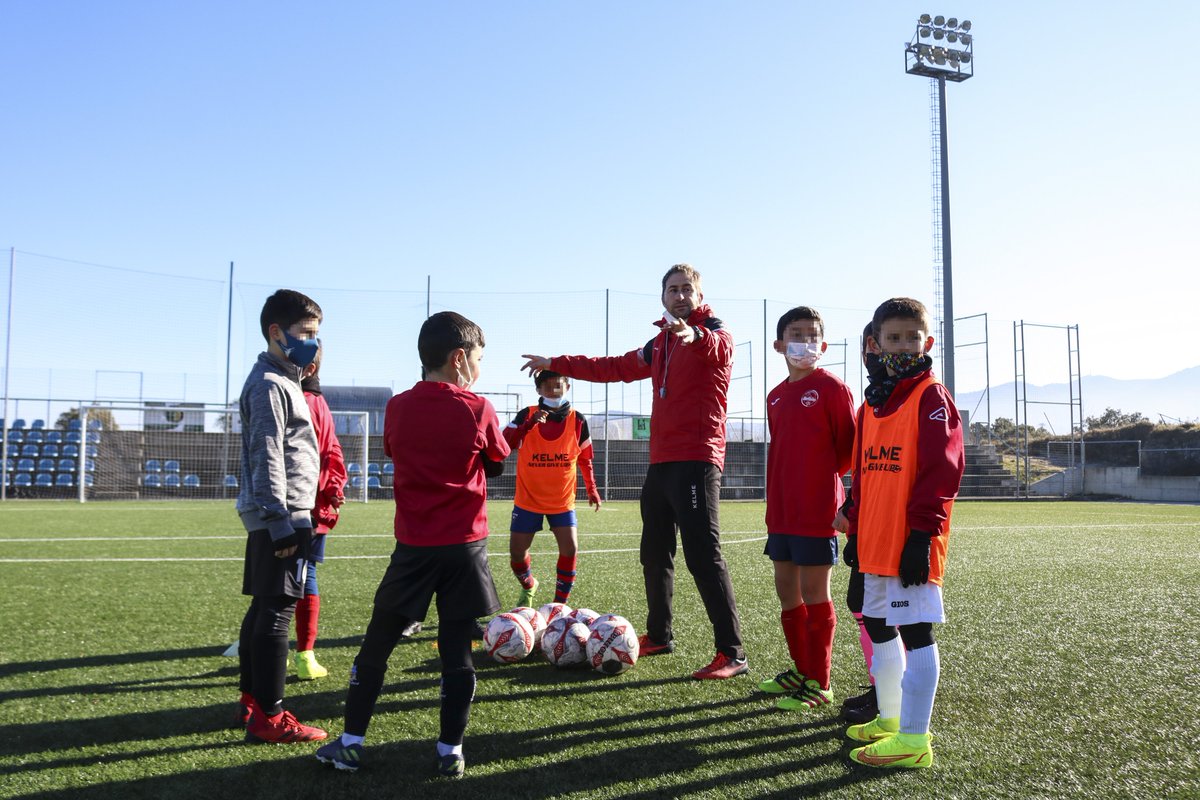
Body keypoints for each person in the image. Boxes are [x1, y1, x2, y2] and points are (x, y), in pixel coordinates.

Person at [521, 263, 747, 680]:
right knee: (654, 553)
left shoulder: (713, 331)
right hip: (660, 462)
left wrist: (692, 334)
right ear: (662, 297)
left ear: (699, 294)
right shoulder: (659, 342)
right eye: (672, 290)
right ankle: (660, 635)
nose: (680, 296)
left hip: (697, 459)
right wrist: (556, 362)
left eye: (687, 289)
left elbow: (715, 346)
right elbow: (613, 367)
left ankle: (732, 653)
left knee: (703, 555)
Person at [317, 311, 509, 779]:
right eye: (479, 359)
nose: (480, 369)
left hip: (414, 547)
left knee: (377, 644)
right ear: (459, 359)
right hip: (465, 548)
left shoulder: (399, 407)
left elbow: (397, 452)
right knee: (455, 650)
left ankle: (351, 744)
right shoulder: (478, 407)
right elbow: (499, 464)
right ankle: (450, 752)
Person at [842, 298, 964, 769]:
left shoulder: (931, 396)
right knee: (876, 625)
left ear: (927, 342)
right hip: (873, 541)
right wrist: (854, 528)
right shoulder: (870, 405)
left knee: (916, 632)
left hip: (909, 542)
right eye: (893, 338)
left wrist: (920, 538)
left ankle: (915, 740)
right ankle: (890, 720)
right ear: (875, 343)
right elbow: (862, 474)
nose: (903, 346)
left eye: (912, 338)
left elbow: (942, 472)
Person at [235, 288, 328, 744]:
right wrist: (280, 521)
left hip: (283, 512)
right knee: (277, 611)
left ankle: (252, 702)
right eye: (305, 333)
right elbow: (267, 454)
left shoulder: (282, 380)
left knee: (263, 607)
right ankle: (270, 716)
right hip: (283, 514)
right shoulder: (270, 384)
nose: (313, 341)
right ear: (276, 332)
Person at [756, 307, 856, 712]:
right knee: (786, 591)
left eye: (812, 335)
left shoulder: (832, 388)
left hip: (817, 512)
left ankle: (821, 680)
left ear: (824, 345)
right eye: (796, 334)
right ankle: (800, 669)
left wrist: (827, 492)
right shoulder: (775, 395)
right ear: (779, 345)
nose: (805, 342)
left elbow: (849, 453)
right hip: (781, 512)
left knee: (815, 593)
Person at [832, 323, 891, 725]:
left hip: (896, 531)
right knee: (862, 605)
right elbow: (863, 471)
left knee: (889, 616)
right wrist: (851, 512)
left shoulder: (918, 401)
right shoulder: (869, 405)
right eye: (866, 347)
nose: (872, 354)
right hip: (867, 525)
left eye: (879, 344)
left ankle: (890, 696)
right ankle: (882, 687)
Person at [504, 369, 601, 608]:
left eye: (558, 385)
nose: (553, 390)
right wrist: (527, 425)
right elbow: (505, 443)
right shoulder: (526, 414)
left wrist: (592, 489)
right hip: (528, 499)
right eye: (547, 386)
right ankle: (529, 585)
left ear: (567, 387)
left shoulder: (578, 419)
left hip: (562, 501)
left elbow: (585, 458)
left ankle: (559, 606)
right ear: (538, 390)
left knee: (570, 548)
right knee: (517, 553)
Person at [293, 343, 348, 680]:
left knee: (300, 577)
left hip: (303, 509)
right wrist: (334, 490)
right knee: (296, 578)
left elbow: (327, 454)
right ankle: (297, 652)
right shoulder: (316, 402)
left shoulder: (304, 403)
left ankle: (303, 654)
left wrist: (330, 491)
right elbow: (333, 454)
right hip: (310, 506)